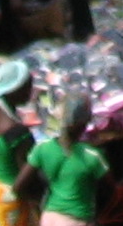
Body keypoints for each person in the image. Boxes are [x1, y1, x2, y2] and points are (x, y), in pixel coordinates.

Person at [19, 97, 112, 226]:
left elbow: (18, 186)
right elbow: (112, 191)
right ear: (83, 125)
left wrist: (37, 203)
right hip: (76, 220)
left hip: (49, 218)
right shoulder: (92, 156)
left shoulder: (42, 148)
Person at [0, 61, 39, 226]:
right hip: (10, 200)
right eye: (27, 87)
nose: (30, 92)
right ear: (13, 90)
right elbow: (24, 178)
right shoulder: (18, 132)